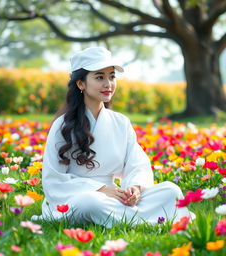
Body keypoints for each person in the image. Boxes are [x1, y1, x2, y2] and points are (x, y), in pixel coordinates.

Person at [31, 47, 195, 228]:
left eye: (112, 76)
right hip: (78, 197)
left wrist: (135, 188)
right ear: (81, 84)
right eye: (100, 77)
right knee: (91, 202)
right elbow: (54, 180)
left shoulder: (121, 122)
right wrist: (101, 190)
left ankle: (126, 217)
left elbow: (137, 164)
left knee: (171, 190)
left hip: (115, 198)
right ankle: (142, 219)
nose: (108, 83)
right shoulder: (62, 126)